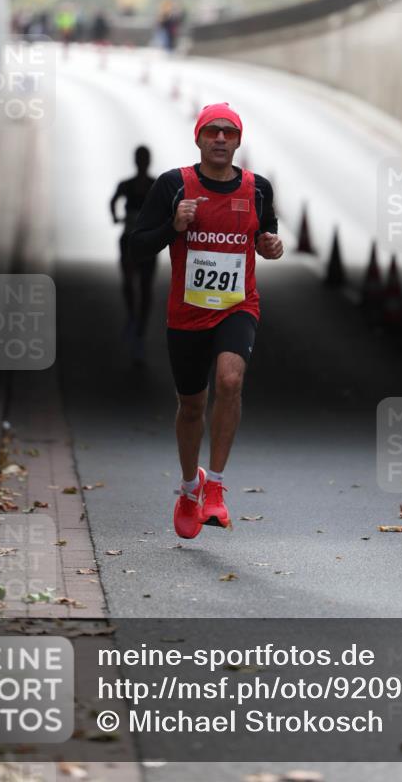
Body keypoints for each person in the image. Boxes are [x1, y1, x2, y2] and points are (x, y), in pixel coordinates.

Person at [129, 103, 283, 539]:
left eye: (228, 133)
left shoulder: (257, 189)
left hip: (238, 306)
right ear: (198, 138)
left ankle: (215, 487)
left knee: (230, 381)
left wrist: (271, 247)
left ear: (238, 141)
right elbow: (138, 247)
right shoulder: (174, 185)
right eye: (211, 131)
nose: (219, 139)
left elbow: (265, 237)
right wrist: (173, 227)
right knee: (192, 405)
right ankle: (188, 488)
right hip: (187, 313)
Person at [110, 147, 157, 362]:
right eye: (140, 159)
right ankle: (132, 317)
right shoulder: (127, 185)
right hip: (130, 241)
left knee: (145, 288)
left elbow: (167, 207)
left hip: (147, 243)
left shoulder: (155, 185)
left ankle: (139, 330)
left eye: (144, 159)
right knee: (129, 282)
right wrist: (116, 218)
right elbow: (113, 201)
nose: (142, 162)